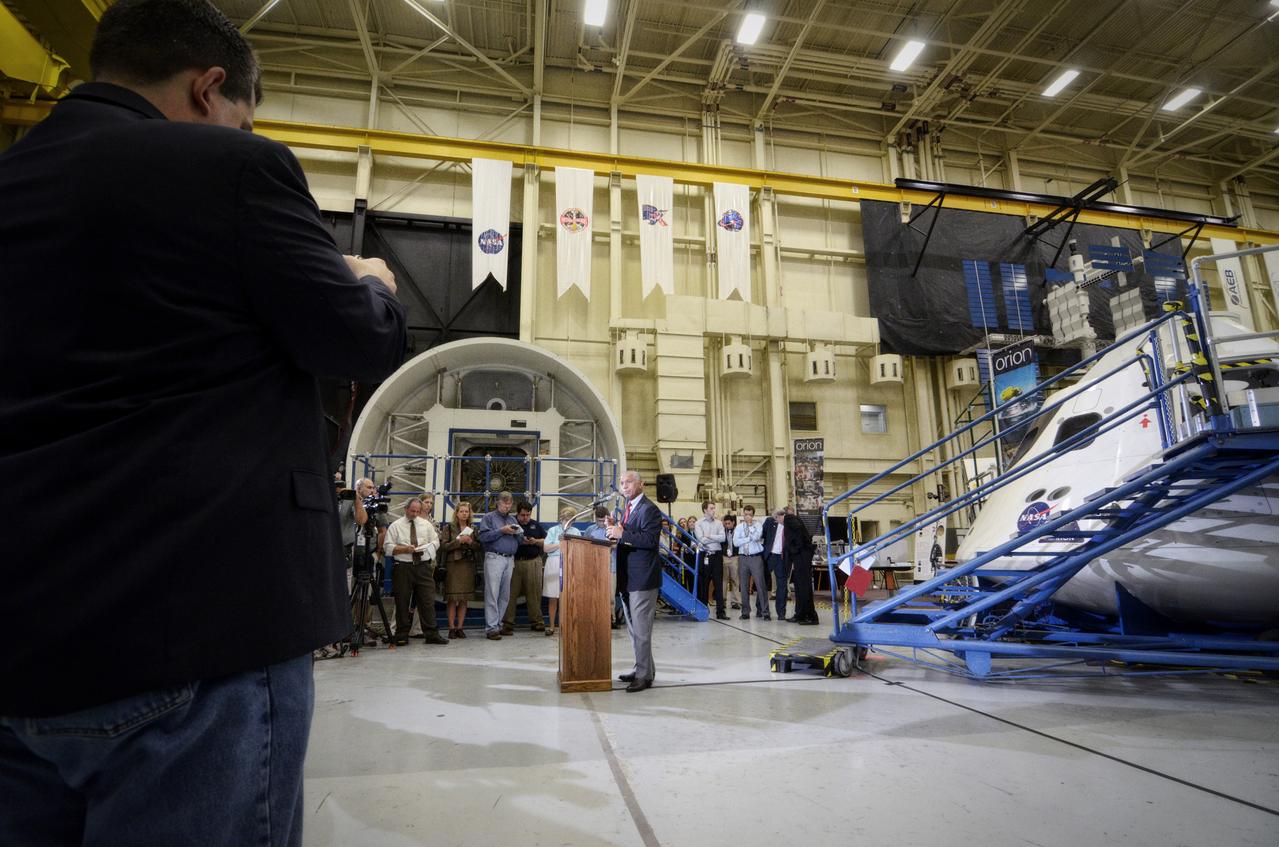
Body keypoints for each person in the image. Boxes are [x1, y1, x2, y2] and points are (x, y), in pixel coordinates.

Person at [0, 2, 406, 843]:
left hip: (23, 640)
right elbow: (355, 337)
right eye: (243, 116)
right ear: (209, 88)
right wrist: (368, 277)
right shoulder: (229, 168)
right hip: (193, 624)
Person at [607, 471, 662, 693]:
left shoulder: (650, 509)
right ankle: (643, 667)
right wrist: (616, 527)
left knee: (641, 630)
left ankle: (644, 676)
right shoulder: (629, 509)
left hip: (643, 578)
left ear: (641, 483)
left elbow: (649, 540)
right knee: (633, 630)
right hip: (628, 577)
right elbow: (631, 534)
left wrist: (622, 534)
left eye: (629, 482)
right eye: (622, 483)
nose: (625, 486)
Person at [384, 499, 448, 646]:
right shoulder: (396, 526)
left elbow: (436, 541)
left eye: (417, 511)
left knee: (427, 600)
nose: (415, 514)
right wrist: (404, 549)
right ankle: (401, 634)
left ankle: (431, 633)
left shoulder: (426, 525)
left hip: (423, 566)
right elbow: (388, 548)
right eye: (412, 511)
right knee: (402, 601)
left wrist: (429, 548)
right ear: (406, 509)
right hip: (403, 566)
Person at [478, 491, 520, 640]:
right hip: (494, 557)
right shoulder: (488, 518)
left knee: (504, 595)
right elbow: (483, 537)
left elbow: (517, 539)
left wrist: (519, 535)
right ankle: (491, 628)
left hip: (510, 559)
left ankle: (498, 625)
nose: (507, 506)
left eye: (509, 504)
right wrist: (501, 531)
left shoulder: (512, 518)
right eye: (504, 503)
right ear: (498, 503)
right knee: (492, 594)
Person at [503, 501, 547, 634]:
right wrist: (519, 542)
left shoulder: (536, 525)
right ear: (517, 514)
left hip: (533, 562)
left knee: (534, 593)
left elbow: (546, 541)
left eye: (528, 515)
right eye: (522, 515)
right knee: (510, 594)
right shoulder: (511, 525)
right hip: (514, 562)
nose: (525, 518)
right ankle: (507, 623)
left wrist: (535, 541)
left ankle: (537, 621)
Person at [438, 501, 480, 639]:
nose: (464, 514)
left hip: (468, 565)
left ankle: (460, 627)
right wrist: (459, 542)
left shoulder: (473, 528)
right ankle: (451, 627)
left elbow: (479, 547)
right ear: (456, 513)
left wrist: (470, 542)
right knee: (452, 598)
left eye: (466, 511)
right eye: (461, 511)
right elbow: (443, 546)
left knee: (464, 599)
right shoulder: (449, 528)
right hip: (453, 566)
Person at [542, 506, 576, 636]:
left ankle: (566, 626)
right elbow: (546, 548)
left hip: (570, 563)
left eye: (571, 520)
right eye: (566, 519)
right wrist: (559, 544)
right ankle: (551, 626)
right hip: (554, 562)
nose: (568, 523)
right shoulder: (553, 530)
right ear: (561, 519)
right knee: (553, 598)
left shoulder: (576, 531)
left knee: (567, 598)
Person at [694, 501, 729, 620]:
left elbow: (723, 538)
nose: (714, 510)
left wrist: (709, 536)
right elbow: (701, 539)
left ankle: (721, 612)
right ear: (705, 510)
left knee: (718, 584)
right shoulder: (698, 523)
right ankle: (703, 610)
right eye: (711, 508)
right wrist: (713, 538)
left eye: (714, 508)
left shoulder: (719, 523)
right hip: (705, 555)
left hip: (717, 556)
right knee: (703, 583)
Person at [734, 506, 769, 620]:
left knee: (760, 585)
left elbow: (757, 537)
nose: (747, 517)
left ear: (753, 515)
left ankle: (765, 612)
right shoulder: (739, 527)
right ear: (743, 514)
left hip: (755, 558)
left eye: (749, 514)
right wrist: (748, 538)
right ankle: (745, 612)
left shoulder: (758, 525)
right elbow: (735, 542)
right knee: (743, 586)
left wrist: (750, 529)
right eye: (745, 514)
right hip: (743, 558)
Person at [762, 508, 790, 620]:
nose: (777, 519)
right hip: (770, 556)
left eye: (780, 517)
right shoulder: (769, 521)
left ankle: (781, 613)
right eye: (776, 517)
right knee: (763, 582)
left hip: (782, 558)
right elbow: (762, 535)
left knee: (782, 586)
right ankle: (761, 610)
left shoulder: (789, 525)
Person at [722, 513, 739, 610]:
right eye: (725, 524)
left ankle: (735, 601)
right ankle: (723, 600)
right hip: (724, 557)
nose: (727, 525)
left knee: (735, 580)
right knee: (724, 580)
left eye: (729, 523)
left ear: (733, 522)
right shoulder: (722, 531)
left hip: (734, 557)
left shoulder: (737, 531)